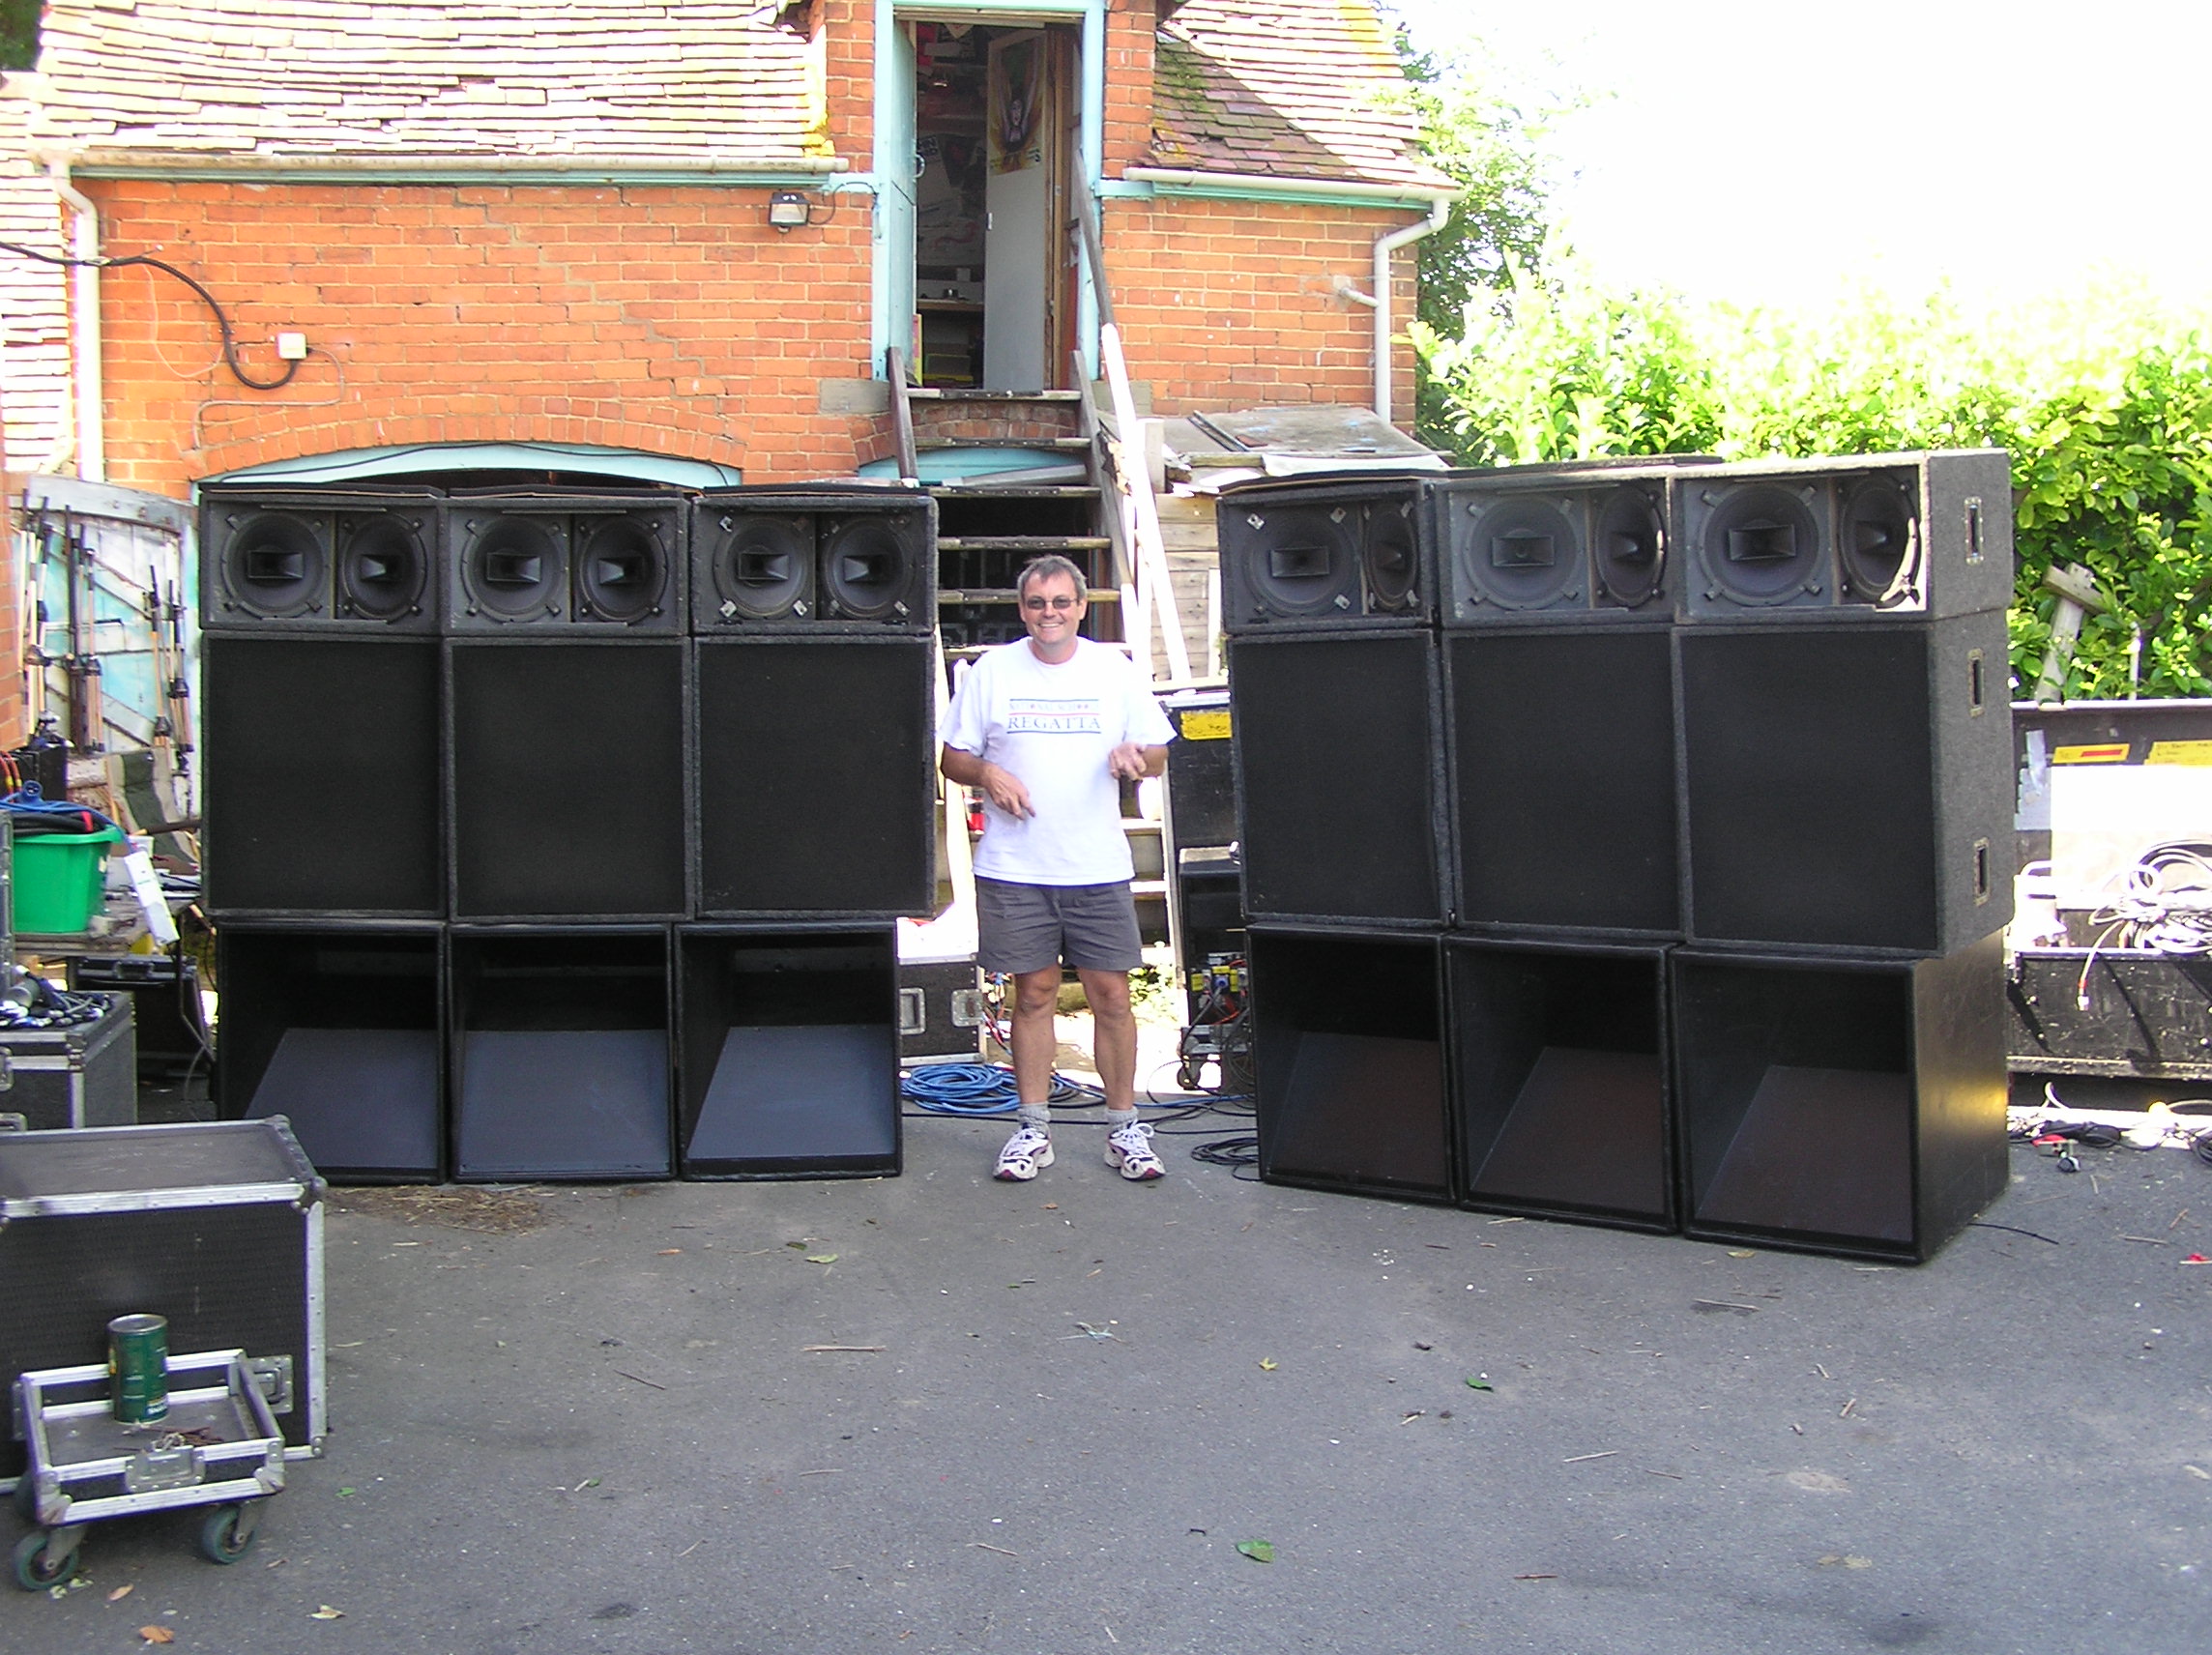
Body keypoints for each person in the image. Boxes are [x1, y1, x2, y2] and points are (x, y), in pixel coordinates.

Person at [941, 554, 1176, 1182]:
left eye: (1062, 602)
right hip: (1016, 866)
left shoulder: (1113, 669)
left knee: (1112, 996)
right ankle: (1032, 1130)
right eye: (1038, 603)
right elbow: (952, 758)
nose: (1050, 613)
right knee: (1035, 994)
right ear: (1023, 610)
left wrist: (1136, 756)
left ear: (1081, 607)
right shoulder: (992, 671)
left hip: (1096, 864)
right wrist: (988, 772)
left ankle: (1124, 1128)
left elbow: (1158, 751)